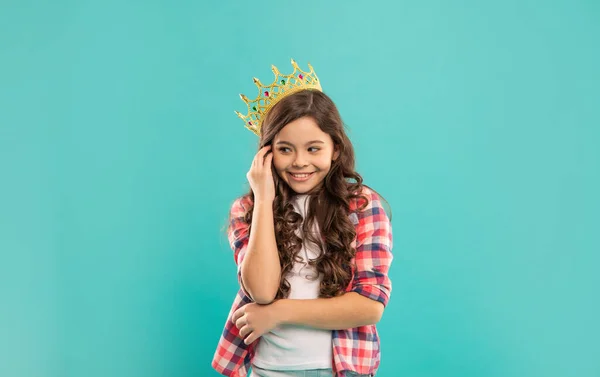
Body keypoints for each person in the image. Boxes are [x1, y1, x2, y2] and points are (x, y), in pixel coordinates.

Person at [212, 59, 394, 377]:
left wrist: (279, 313)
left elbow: (369, 306)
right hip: (266, 369)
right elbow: (262, 291)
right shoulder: (248, 209)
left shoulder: (363, 207)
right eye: (285, 149)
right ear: (266, 152)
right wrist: (265, 199)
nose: (299, 162)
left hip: (336, 369)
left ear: (335, 149)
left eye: (313, 149)